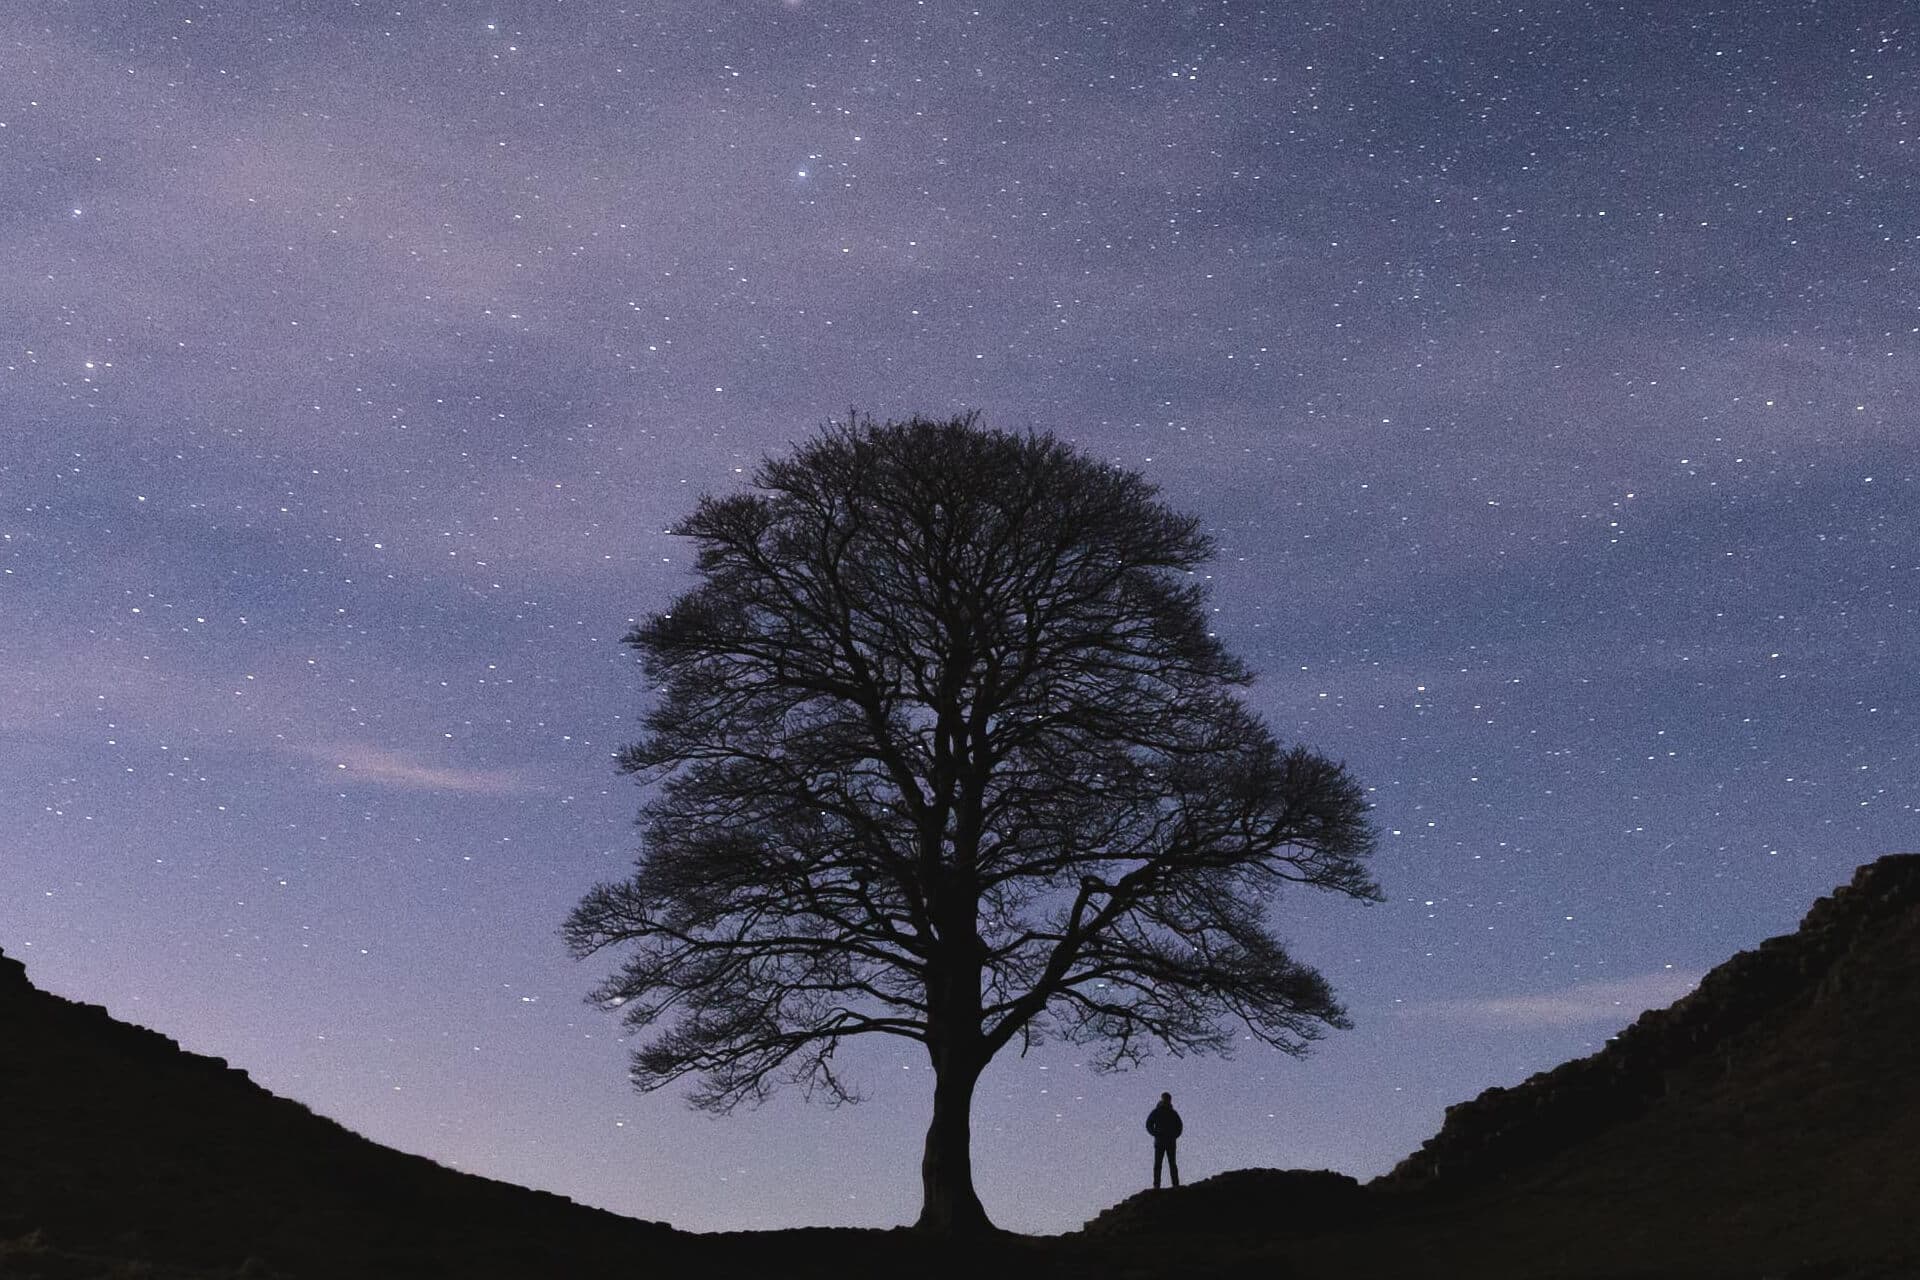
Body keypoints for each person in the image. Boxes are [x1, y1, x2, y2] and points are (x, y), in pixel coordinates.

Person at [1145, 1091, 1183, 1189]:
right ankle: (1157, 1185)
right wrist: (1156, 1134)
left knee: (1172, 1164)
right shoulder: (1157, 1112)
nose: (1166, 1100)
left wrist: (1174, 1135)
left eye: (1168, 1099)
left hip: (1170, 1142)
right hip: (1160, 1142)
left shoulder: (1172, 1113)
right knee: (1158, 1164)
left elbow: (1179, 1127)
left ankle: (1175, 1184)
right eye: (1165, 1098)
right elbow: (1149, 1124)